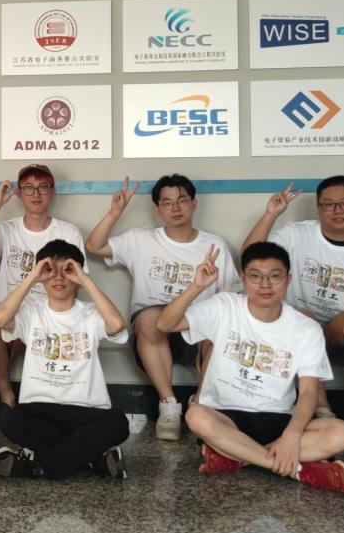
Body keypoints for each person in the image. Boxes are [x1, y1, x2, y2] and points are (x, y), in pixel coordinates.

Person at [157, 241, 344, 493]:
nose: (265, 284)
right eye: (255, 276)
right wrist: (196, 286)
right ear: (243, 278)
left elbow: (308, 392)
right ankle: (296, 469)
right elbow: (164, 324)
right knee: (195, 416)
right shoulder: (225, 306)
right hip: (225, 416)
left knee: (342, 434)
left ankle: (236, 455)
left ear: (288, 279)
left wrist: (292, 435)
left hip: (279, 419)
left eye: (274, 276)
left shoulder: (306, 329)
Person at [86, 174, 240, 441]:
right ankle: (168, 405)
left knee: (222, 330)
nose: (175, 208)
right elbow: (94, 246)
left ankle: (201, 404)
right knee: (150, 319)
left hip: (196, 327)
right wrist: (115, 212)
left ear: (194, 203)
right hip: (153, 330)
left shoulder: (215, 245)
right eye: (167, 203)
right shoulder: (141, 239)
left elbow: (230, 299)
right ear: (157, 209)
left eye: (182, 200)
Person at [242, 175, 344, 416]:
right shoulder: (297, 234)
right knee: (308, 321)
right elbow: (250, 257)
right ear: (318, 207)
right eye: (328, 204)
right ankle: (320, 407)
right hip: (296, 327)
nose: (337, 210)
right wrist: (270, 214)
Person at [0, 240, 130, 480]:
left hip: (86, 410)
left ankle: (39, 465)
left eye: (68, 270)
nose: (59, 277)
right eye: (51, 270)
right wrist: (33, 277)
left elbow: (116, 325)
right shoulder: (31, 312)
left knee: (118, 423)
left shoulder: (91, 314)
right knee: (10, 420)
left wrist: (85, 280)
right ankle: (88, 459)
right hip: (39, 409)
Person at [0, 164, 86, 411]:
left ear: (52, 192)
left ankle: (47, 403)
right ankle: (7, 397)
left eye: (43, 187)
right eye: (29, 187)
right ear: (19, 193)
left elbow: (76, 282)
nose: (36, 193)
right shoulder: (7, 229)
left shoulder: (67, 232)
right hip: (9, 312)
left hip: (48, 312)